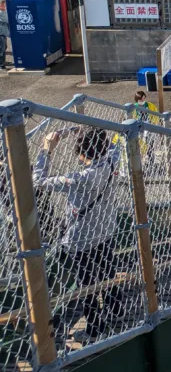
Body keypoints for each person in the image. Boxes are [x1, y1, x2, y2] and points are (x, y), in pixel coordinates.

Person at [33, 127, 123, 342]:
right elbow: (112, 146)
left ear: (82, 153)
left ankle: (94, 330)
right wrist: (78, 130)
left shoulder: (79, 178)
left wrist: (46, 149)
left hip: (81, 239)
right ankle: (117, 311)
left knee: (87, 285)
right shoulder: (111, 160)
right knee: (108, 272)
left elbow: (37, 180)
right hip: (105, 229)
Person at [0, 2, 8, 70]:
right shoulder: (1, 13)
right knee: (2, 49)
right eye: (4, 5)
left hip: (3, 33)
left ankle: (2, 62)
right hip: (1, 34)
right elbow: (6, 20)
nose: (5, 7)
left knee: (4, 47)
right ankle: (1, 65)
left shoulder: (3, 12)